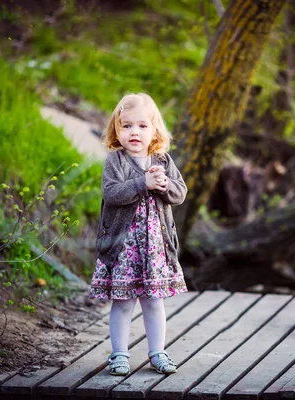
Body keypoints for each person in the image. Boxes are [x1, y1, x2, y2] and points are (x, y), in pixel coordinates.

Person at [90, 93, 188, 376]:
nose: (135, 132)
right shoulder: (115, 161)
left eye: (143, 126)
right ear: (116, 130)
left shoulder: (162, 160)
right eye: (127, 126)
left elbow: (180, 193)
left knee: (153, 301)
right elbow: (111, 194)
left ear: (154, 130)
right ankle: (119, 353)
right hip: (123, 248)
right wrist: (142, 183)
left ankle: (158, 352)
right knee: (122, 302)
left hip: (155, 248)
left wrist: (163, 184)